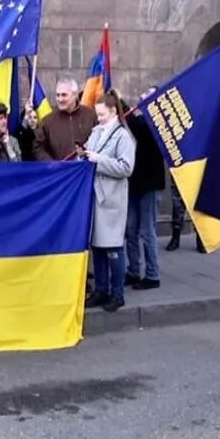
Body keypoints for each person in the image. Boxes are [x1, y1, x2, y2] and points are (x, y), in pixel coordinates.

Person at [82, 90, 136, 312]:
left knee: (113, 247)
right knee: (98, 247)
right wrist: (83, 154)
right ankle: (101, 290)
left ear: (114, 111)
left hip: (112, 198)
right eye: (98, 114)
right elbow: (88, 152)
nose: (99, 118)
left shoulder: (123, 136)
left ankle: (117, 293)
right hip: (95, 196)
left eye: (102, 114)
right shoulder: (96, 131)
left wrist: (98, 160)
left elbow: (126, 167)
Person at [125, 86, 166, 291]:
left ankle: (152, 275)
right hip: (135, 182)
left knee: (147, 230)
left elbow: (139, 128)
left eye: (147, 96)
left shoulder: (158, 123)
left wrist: (121, 105)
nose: (142, 98)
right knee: (130, 229)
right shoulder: (139, 119)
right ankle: (133, 270)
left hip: (151, 184)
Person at [34, 78, 97, 160]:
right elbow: (38, 147)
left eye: (64, 95)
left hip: (85, 169)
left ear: (75, 95)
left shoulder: (90, 115)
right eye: (57, 95)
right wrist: (51, 164)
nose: (60, 99)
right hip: (60, 171)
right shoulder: (48, 120)